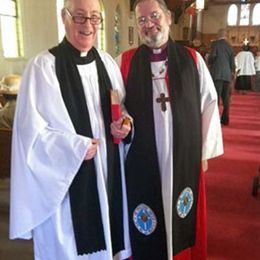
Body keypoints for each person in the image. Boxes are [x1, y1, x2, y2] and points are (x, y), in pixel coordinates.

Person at [9, 0, 132, 259]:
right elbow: (29, 136)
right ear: (64, 17)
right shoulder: (42, 67)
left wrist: (125, 126)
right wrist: (73, 148)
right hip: (66, 185)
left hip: (108, 172)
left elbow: (122, 109)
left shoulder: (108, 63)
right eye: (79, 17)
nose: (88, 25)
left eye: (94, 18)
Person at [116, 0, 223, 259]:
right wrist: (124, 121)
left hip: (183, 157)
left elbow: (208, 103)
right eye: (142, 20)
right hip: (142, 158)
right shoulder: (125, 62)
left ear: (167, 17)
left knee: (181, 213)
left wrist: (204, 152)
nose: (149, 24)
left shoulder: (192, 59)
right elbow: (117, 105)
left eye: (154, 16)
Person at [208, 28, 235, 126]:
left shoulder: (215, 44)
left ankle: (214, 119)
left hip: (217, 74)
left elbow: (213, 56)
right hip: (227, 75)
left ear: (218, 35)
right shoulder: (230, 46)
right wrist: (232, 75)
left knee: (216, 96)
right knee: (226, 98)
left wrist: (209, 61)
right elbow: (232, 63)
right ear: (226, 36)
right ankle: (225, 119)